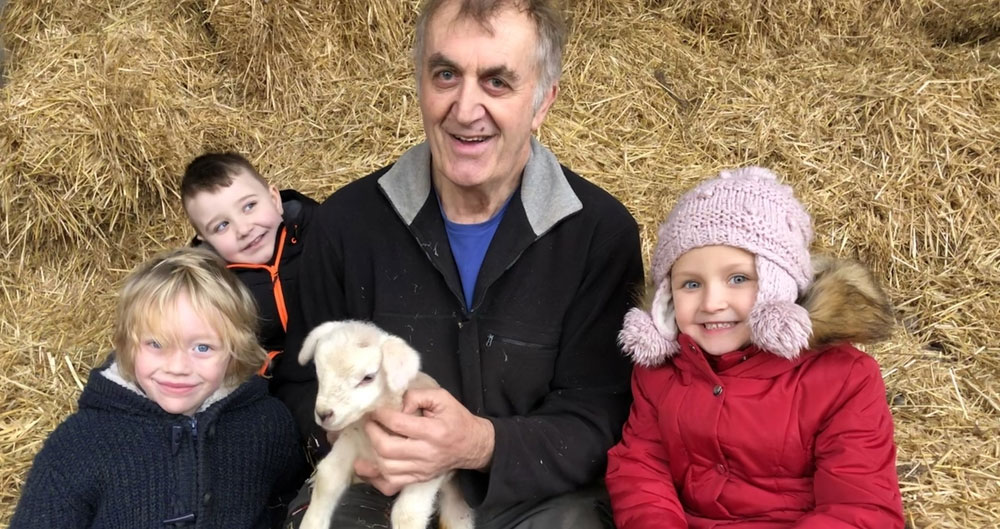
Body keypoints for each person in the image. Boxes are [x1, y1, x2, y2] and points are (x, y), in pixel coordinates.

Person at [272, 0, 644, 527]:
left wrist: (478, 444)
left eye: (497, 82)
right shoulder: (346, 225)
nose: (466, 109)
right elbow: (293, 386)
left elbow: (601, 416)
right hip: (377, 486)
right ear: (419, 83)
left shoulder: (598, 234)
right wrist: (351, 434)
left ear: (542, 102)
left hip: (536, 498)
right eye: (446, 74)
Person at [605, 167, 905, 528]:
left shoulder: (844, 379)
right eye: (690, 284)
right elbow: (642, 466)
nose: (712, 302)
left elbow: (860, 506)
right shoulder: (661, 370)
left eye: (738, 279)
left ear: (778, 286)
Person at [10, 248, 304, 529]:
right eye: (155, 344)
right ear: (127, 345)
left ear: (235, 351)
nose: (177, 367)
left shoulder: (268, 425)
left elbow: (289, 504)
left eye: (202, 347)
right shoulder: (78, 443)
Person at [181, 152, 318, 375]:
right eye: (222, 226)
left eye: (249, 206)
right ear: (206, 240)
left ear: (274, 199)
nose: (244, 229)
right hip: (279, 383)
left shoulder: (320, 236)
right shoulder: (214, 288)